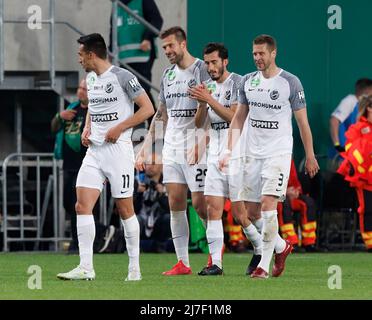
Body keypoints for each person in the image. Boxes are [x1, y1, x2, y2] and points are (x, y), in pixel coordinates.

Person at [220, 34, 319, 279]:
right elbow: (239, 118)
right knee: (251, 213)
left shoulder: (290, 82)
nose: (257, 58)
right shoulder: (247, 82)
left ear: (273, 53)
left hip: (278, 153)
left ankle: (263, 265)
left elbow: (302, 123)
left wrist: (310, 155)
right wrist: (228, 150)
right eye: (254, 54)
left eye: (262, 53)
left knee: (267, 206)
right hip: (252, 153)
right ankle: (281, 247)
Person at [57, 33, 154, 281]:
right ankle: (86, 267)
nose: (78, 59)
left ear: (91, 54)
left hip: (118, 151)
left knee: (125, 210)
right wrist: (88, 128)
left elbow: (147, 109)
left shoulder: (123, 77)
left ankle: (134, 269)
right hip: (95, 151)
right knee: (82, 205)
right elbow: (93, 107)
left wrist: (120, 127)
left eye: (80, 54)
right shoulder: (90, 79)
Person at [136, 26, 209, 275]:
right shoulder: (167, 74)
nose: (167, 51)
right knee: (175, 203)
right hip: (173, 147)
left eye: (170, 46)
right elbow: (162, 114)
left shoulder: (201, 69)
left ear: (183, 44)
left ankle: (216, 257)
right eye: (164, 47)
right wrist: (145, 147)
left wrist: (204, 141)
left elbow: (211, 107)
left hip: (198, 144)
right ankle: (183, 263)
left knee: (200, 205)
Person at [188, 42, 262, 276]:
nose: (210, 67)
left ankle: (262, 248)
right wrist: (201, 103)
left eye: (214, 62)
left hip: (237, 153)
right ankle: (216, 263)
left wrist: (209, 100)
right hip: (214, 156)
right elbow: (201, 124)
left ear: (225, 61)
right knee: (213, 209)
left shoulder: (238, 83)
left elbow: (234, 118)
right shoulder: (208, 87)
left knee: (241, 214)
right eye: (207, 62)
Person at [111, 0, 163, 125]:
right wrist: (110, 51)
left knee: (142, 91)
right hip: (123, 58)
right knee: (130, 94)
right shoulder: (117, 5)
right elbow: (112, 30)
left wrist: (147, 38)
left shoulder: (144, 2)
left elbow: (157, 21)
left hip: (142, 56)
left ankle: (156, 126)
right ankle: (137, 129)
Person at [51, 79, 89, 253]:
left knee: (78, 205)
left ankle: (78, 243)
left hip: (85, 165)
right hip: (68, 165)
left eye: (85, 89)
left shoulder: (94, 110)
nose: (80, 91)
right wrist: (60, 116)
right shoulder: (72, 108)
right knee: (67, 203)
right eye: (79, 88)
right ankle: (78, 241)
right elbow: (53, 128)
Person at [337, 94, 372, 252]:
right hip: (363, 177)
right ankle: (370, 242)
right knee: (368, 208)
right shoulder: (357, 128)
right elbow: (351, 151)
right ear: (369, 109)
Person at [134, 150, 171, 252]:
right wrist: (138, 193)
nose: (149, 166)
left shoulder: (167, 182)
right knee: (134, 219)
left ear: (161, 166)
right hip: (142, 220)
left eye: (153, 163)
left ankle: (160, 246)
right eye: (147, 163)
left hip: (158, 222)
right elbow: (132, 210)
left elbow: (170, 209)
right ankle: (134, 247)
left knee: (168, 218)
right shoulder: (137, 181)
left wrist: (161, 194)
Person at [277, 159, 317, 252]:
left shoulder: (289, 159)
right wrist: (284, 191)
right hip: (276, 195)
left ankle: (309, 242)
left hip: (291, 194)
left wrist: (296, 191)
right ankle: (290, 242)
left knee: (309, 202)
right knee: (284, 202)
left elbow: (294, 180)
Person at [329, 78, 372, 154]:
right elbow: (333, 120)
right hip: (343, 155)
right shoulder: (350, 101)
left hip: (355, 153)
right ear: (367, 90)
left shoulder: (363, 105)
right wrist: (337, 145)